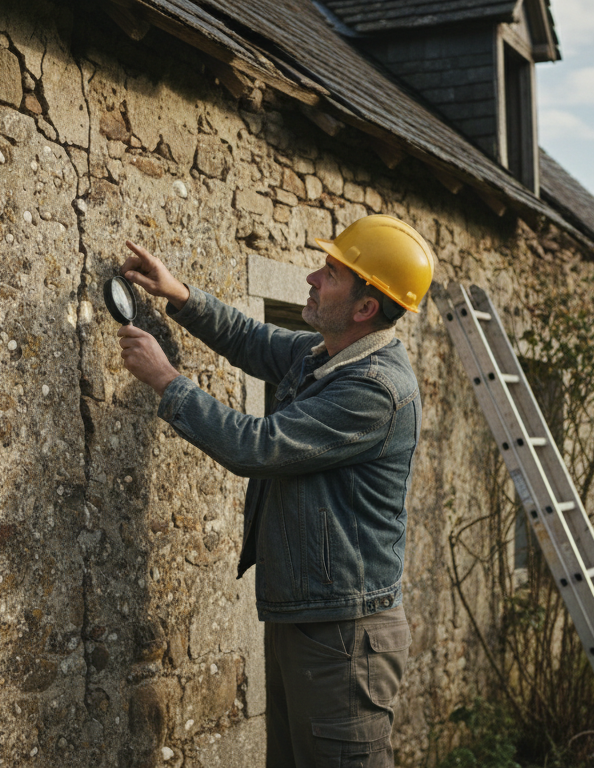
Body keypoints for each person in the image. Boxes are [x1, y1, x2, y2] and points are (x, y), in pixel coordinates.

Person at [114, 215, 435, 767]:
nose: (312, 278)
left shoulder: (375, 389)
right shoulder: (327, 355)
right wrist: (180, 295)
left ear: (365, 307)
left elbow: (258, 447)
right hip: (307, 618)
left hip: (345, 638)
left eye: (330, 274)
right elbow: (252, 339)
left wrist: (168, 382)